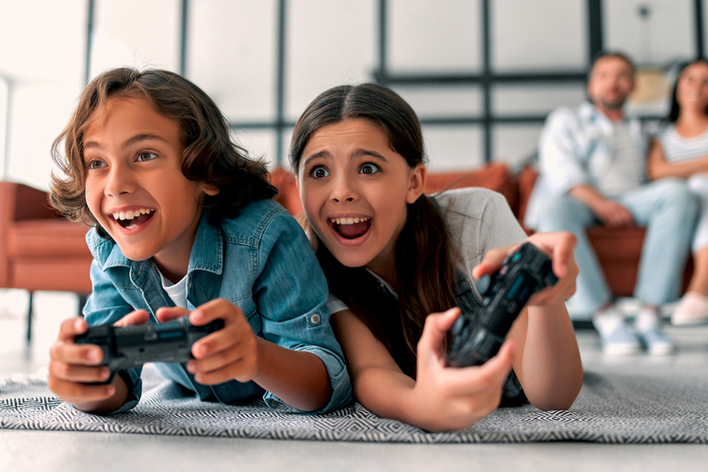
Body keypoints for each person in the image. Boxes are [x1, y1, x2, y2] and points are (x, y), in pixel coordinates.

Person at [46, 68, 351, 415]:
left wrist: (256, 356)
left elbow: (324, 384)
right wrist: (86, 382)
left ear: (206, 173)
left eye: (145, 155)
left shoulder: (268, 237)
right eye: (97, 162)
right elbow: (114, 387)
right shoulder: (109, 249)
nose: (116, 184)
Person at [289, 83, 583, 432]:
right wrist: (419, 406)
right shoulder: (308, 263)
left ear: (415, 182)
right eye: (319, 172)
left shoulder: (476, 218)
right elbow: (370, 370)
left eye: (367, 168)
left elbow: (553, 396)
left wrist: (544, 300)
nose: (342, 193)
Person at [524, 52, 699, 356]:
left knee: (678, 194)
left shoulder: (644, 130)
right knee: (552, 206)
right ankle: (607, 317)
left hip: (633, 199)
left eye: (621, 75)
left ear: (632, 85)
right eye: (603, 75)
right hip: (582, 199)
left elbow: (660, 171)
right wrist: (602, 204)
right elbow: (561, 170)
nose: (612, 82)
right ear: (592, 86)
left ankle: (650, 316)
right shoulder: (567, 120)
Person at [648, 57, 708, 326]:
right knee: (697, 185)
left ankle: (700, 289)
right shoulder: (662, 135)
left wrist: (682, 169)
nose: (698, 87)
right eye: (690, 79)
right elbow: (657, 172)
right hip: (682, 210)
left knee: (700, 184)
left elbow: (668, 170)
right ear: (678, 86)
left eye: (706, 82)